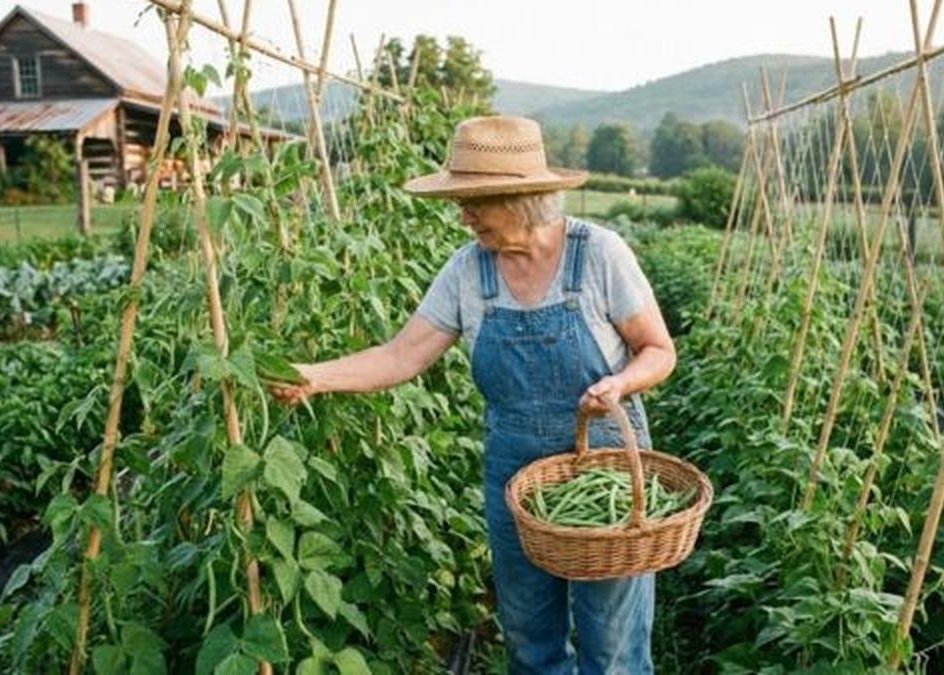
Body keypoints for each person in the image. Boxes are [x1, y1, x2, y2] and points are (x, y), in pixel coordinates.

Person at [270, 115, 676, 674]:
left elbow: (658, 350)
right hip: (516, 474)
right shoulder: (468, 272)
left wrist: (619, 384)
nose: (463, 216)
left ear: (517, 197)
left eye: (473, 202)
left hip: (602, 460)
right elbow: (400, 355)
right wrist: (314, 376)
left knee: (612, 645)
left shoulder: (599, 254)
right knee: (530, 637)